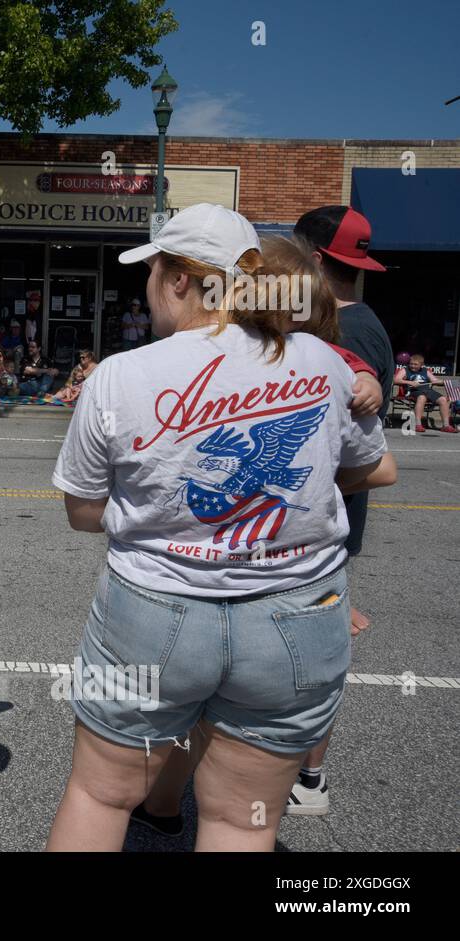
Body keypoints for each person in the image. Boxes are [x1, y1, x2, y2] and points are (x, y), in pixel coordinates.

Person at [46, 203, 395, 852]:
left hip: (150, 611)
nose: (146, 284)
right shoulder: (323, 363)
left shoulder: (120, 375)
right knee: (239, 821)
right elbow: (368, 468)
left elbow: (82, 511)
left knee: (99, 794)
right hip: (295, 618)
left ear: (179, 280)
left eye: (151, 269)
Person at [285, 204, 396, 815]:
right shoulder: (358, 322)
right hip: (328, 525)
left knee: (308, 658)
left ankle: (308, 779)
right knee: (307, 648)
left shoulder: (345, 332)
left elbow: (342, 444)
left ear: (315, 259)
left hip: (320, 525)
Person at [395, 353, 456, 433]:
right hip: (413, 391)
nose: (412, 366)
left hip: (427, 390)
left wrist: (442, 382)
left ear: (421, 365)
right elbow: (396, 380)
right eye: (411, 364)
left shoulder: (425, 371)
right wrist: (410, 382)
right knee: (422, 397)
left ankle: (446, 425)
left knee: (443, 399)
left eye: (415, 364)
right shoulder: (405, 370)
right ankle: (418, 424)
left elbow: (434, 380)